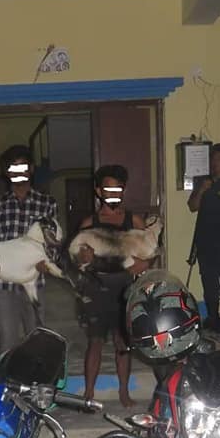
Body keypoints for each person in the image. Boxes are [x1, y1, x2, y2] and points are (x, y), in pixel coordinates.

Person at [75, 165, 151, 407]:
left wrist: (145, 264)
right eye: (108, 189)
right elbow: (79, 258)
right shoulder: (90, 222)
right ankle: (88, 393)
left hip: (124, 288)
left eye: (118, 189)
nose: (113, 193)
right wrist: (83, 258)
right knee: (95, 342)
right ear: (98, 191)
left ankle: (124, 392)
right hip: (96, 288)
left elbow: (148, 252)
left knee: (122, 342)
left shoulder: (134, 220)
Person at [0, 145, 58, 353]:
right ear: (6, 172)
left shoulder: (47, 204)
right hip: (4, 284)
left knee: (37, 338)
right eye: (12, 168)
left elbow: (52, 242)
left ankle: (36, 374)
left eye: (22, 167)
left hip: (34, 281)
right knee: (7, 340)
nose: (18, 172)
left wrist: (47, 262)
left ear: (31, 169)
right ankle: (8, 374)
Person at [187, 143, 220, 333]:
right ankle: (213, 318)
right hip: (205, 243)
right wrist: (202, 190)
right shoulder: (204, 182)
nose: (215, 163)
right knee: (209, 284)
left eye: (219, 159)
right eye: (213, 159)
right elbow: (192, 206)